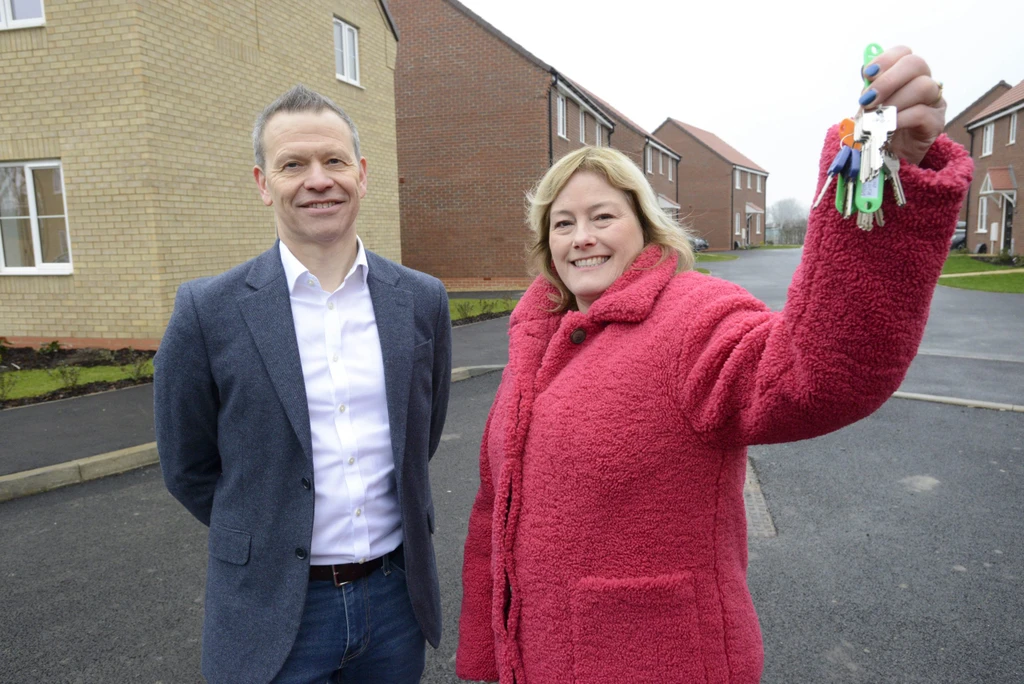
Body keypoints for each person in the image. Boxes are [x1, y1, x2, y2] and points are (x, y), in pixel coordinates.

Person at [455, 46, 971, 683]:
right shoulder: (533, 344)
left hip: (655, 662)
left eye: (602, 216)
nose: (580, 236)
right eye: (563, 223)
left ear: (645, 227)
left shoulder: (691, 318)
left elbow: (817, 373)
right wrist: (485, 654)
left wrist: (883, 162)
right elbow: (492, 511)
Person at [155, 84, 451, 683]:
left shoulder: (421, 300)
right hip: (272, 609)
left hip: (395, 602)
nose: (318, 180)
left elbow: (422, 435)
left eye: (334, 161)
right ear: (264, 183)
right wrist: (266, 528)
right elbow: (187, 467)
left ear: (362, 174)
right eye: (293, 165)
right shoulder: (206, 311)